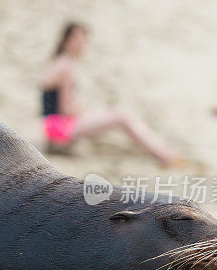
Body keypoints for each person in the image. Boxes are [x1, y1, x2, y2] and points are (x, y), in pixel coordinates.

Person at [40, 22, 180, 167]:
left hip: (50, 126)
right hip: (59, 129)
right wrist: (81, 109)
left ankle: (164, 153)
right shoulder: (66, 65)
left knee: (114, 114)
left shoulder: (57, 61)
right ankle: (166, 156)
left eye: (85, 41)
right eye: (79, 40)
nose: (82, 45)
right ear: (67, 39)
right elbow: (66, 109)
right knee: (122, 115)